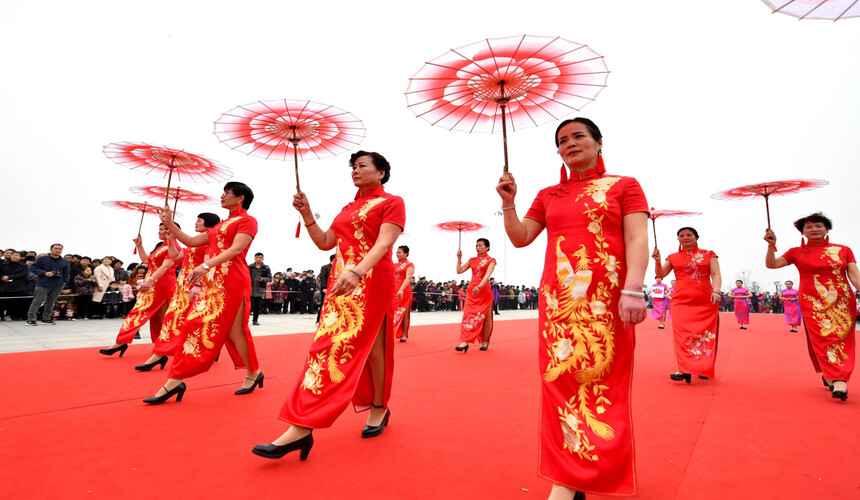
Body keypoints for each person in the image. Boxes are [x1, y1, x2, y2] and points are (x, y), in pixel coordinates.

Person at [497, 117, 648, 499]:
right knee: (558, 381)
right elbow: (520, 238)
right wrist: (509, 203)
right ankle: (568, 476)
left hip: (606, 301)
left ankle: (587, 472)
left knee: (602, 381)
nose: (570, 144)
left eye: (579, 136)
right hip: (558, 303)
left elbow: (636, 236)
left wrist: (633, 289)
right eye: (562, 140)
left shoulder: (624, 186)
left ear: (599, 142)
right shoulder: (549, 195)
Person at [254, 150, 405, 460]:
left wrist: (357, 271)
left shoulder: (392, 202)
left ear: (381, 173)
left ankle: (304, 424)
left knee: (338, 347)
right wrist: (307, 213)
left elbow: (384, 243)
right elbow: (326, 242)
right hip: (342, 283)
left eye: (363, 166)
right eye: (353, 166)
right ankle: (378, 406)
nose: (355, 170)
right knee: (362, 346)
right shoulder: (348, 207)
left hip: (370, 278)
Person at [137, 183, 262, 403]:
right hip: (214, 283)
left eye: (227, 193)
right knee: (198, 325)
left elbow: (235, 250)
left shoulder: (247, 221)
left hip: (233, 281)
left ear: (240, 198)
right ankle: (177, 380)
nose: (222, 196)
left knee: (232, 332)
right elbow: (192, 241)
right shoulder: (221, 225)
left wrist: (206, 266)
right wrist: (168, 224)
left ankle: (250, 373)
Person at [765, 212, 859, 402]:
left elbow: (854, 275)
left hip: (842, 301)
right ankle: (838, 379)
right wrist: (770, 245)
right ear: (802, 232)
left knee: (842, 339)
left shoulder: (843, 250)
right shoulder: (796, 252)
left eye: (818, 226)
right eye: (808, 227)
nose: (814, 229)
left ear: (827, 229)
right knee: (823, 339)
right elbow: (772, 265)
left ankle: (834, 375)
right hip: (813, 302)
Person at [134, 212, 220, 371]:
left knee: (179, 319)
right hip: (183, 286)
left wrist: (198, 285)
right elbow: (176, 256)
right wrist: (171, 240)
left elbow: (208, 266)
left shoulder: (209, 242)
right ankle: (207, 347)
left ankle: (159, 355)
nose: (196, 223)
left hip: (195, 287)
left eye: (199, 220)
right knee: (176, 319)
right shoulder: (193, 243)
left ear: (208, 223)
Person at [98, 224, 180, 357]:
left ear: (171, 231)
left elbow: (166, 266)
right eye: (159, 229)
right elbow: (146, 260)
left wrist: (150, 280)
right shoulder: (161, 246)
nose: (158, 231)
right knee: (159, 318)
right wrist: (139, 245)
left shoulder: (174, 247)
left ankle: (123, 342)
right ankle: (162, 346)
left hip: (162, 284)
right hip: (154, 283)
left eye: (162, 229)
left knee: (144, 312)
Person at [653, 227, 722, 384]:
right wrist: (657, 260)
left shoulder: (709, 254)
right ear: (678, 239)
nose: (685, 237)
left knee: (705, 334)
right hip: (680, 301)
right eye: (681, 236)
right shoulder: (673, 257)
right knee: (682, 335)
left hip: (706, 300)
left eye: (689, 235)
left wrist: (717, 291)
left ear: (696, 237)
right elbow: (661, 274)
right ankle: (682, 369)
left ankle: (703, 367)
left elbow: (716, 274)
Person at [455, 238, 496, 352]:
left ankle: (485, 340)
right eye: (476, 245)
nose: (477, 247)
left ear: (487, 247)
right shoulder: (472, 260)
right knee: (468, 314)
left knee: (487, 317)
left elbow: (487, 275)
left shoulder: (491, 260)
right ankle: (465, 341)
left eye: (480, 245)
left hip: (484, 290)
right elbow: (459, 271)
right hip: (472, 291)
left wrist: (480, 286)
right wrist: (459, 259)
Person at [26, 243, 70, 326]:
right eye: (56, 248)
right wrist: (45, 273)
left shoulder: (64, 261)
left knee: (51, 302)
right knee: (37, 301)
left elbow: (67, 272)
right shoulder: (42, 259)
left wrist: (64, 281)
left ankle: (46, 318)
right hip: (43, 283)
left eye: (60, 249)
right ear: (51, 249)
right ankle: (31, 319)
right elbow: (33, 268)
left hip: (58, 284)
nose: (58, 250)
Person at [391, 245, 415, 342]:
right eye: (397, 252)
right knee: (392, 310)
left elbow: (408, 278)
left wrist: (401, 289)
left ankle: (404, 334)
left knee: (404, 312)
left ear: (406, 253)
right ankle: (390, 332)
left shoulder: (410, 265)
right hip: (393, 290)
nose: (397, 254)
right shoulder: (393, 264)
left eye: (400, 252)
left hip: (404, 290)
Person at [0, 251, 29, 320]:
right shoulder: (3, 264)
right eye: (12, 255)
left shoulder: (24, 265)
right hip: (4, 285)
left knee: (13, 302)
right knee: (2, 301)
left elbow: (23, 274)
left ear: (20, 257)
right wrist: (2, 277)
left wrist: (9, 277)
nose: (14, 256)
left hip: (17, 286)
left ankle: (9, 315)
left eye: (16, 255)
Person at [248, 252, 271, 326]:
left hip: (260, 288)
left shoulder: (266, 268)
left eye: (260, 257)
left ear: (262, 258)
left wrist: (263, 279)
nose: (258, 259)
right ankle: (246, 319)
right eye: (257, 257)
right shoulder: (250, 267)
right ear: (254, 258)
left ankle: (255, 320)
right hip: (250, 288)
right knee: (248, 306)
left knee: (257, 305)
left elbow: (269, 278)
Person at [316, 254, 334, 324]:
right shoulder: (325, 267)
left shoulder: (337, 268)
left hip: (334, 289)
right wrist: (324, 287)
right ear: (333, 260)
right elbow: (322, 277)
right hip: (326, 289)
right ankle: (319, 320)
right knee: (323, 305)